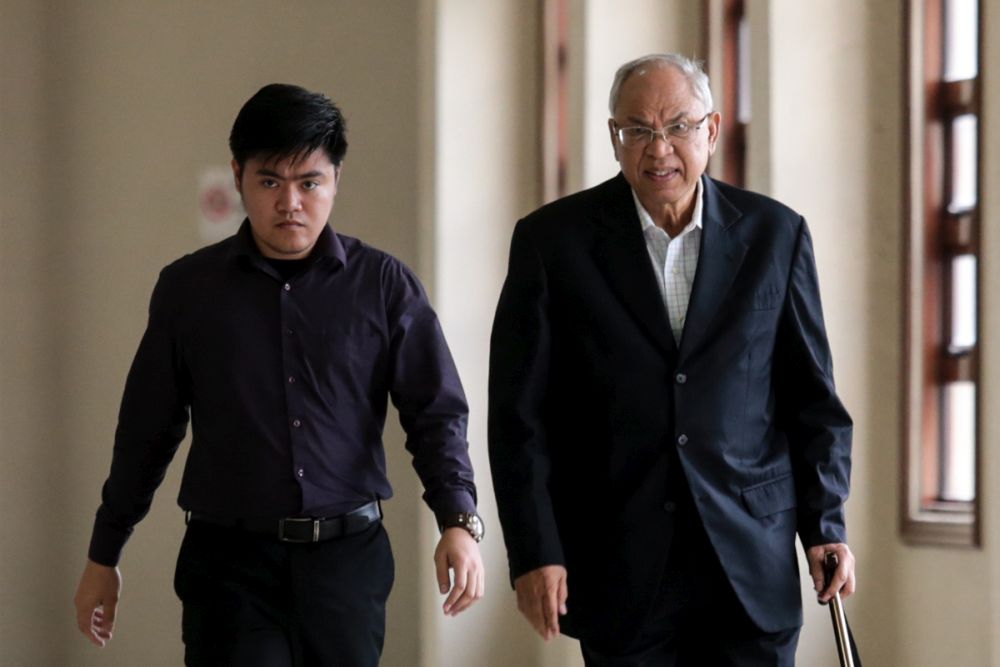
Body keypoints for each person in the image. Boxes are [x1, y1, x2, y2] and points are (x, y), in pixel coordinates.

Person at [73, 83, 485, 667]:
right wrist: (103, 554)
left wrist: (459, 521)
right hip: (229, 567)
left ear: (336, 179)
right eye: (270, 181)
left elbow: (436, 412)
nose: (290, 202)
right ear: (239, 175)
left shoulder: (384, 286)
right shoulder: (189, 291)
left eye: (309, 182)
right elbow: (146, 430)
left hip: (347, 563)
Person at [488, 53, 855, 666]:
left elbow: (811, 397)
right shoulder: (553, 242)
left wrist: (826, 523)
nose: (659, 151)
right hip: (619, 563)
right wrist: (535, 550)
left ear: (710, 130)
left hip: (749, 559)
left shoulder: (775, 235)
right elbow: (518, 416)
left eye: (678, 127)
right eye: (639, 131)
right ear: (614, 139)